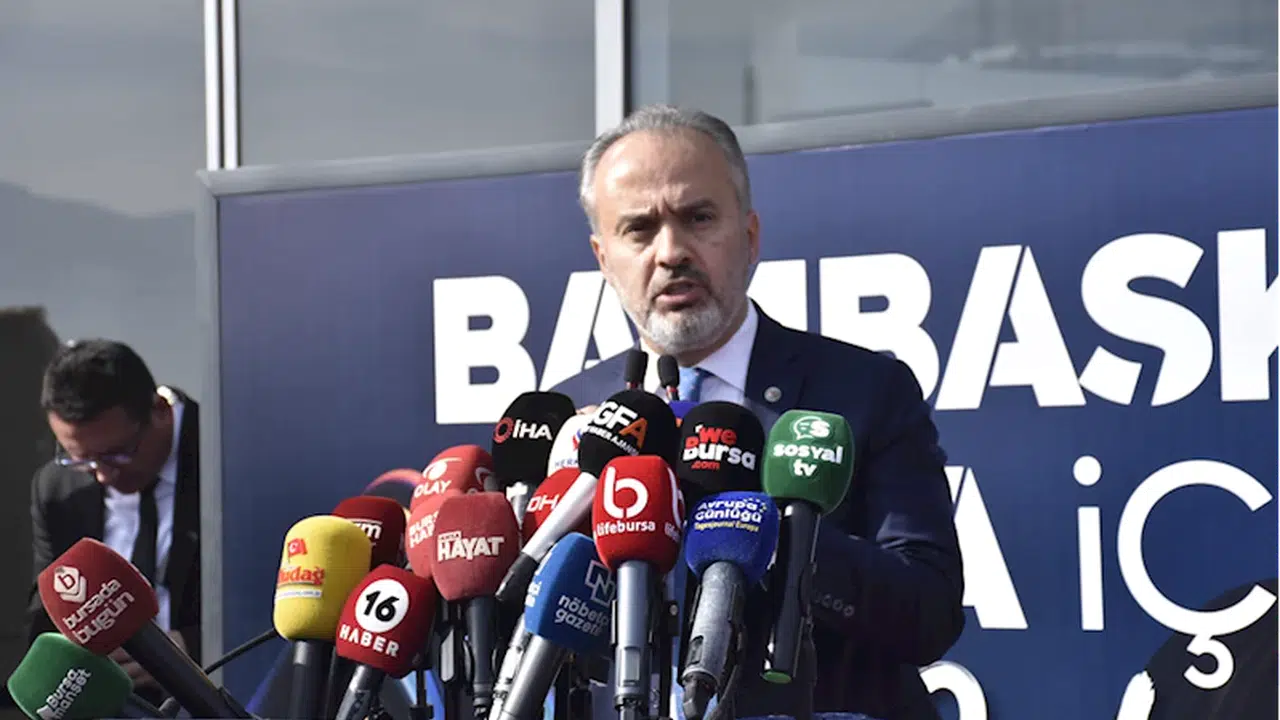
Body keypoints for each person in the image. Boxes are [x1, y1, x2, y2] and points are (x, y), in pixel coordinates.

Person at [551, 105, 965, 720]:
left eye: (698, 218)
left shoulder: (864, 390)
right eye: (639, 229)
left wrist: (773, 536)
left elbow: (929, 612)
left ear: (749, 237)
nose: (671, 252)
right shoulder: (570, 418)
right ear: (603, 258)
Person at [26, 339, 201, 707]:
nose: (103, 475)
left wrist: (187, 648)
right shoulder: (58, 489)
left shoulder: (225, 450)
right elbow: (46, 615)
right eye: (80, 459)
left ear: (160, 411)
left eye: (118, 454)